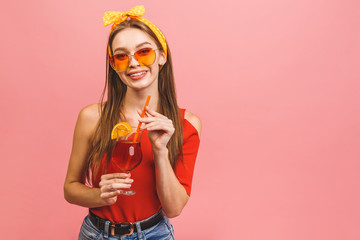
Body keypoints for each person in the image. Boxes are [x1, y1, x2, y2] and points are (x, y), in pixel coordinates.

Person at [63, 5, 201, 240]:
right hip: (96, 233)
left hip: (154, 234)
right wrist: (100, 195)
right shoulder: (92, 117)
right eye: (121, 56)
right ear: (114, 65)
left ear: (162, 56)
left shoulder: (186, 124)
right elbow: (71, 188)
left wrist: (160, 151)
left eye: (143, 52)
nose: (134, 63)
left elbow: (174, 208)